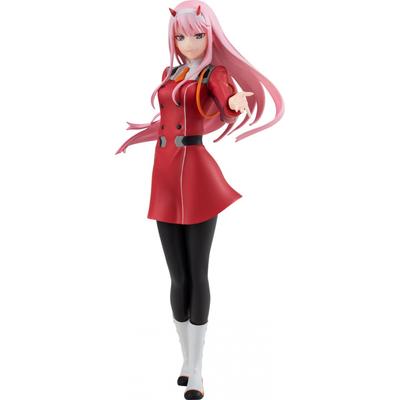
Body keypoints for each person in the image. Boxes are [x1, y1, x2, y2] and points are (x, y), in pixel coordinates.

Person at [115, 1, 284, 398]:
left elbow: (225, 104)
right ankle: (185, 359)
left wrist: (235, 104)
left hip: (196, 174)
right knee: (177, 276)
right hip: (163, 175)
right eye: (180, 36)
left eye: (196, 35)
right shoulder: (169, 73)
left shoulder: (214, 74)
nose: (188, 43)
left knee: (197, 271)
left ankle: (198, 369)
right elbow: (165, 120)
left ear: (209, 35)